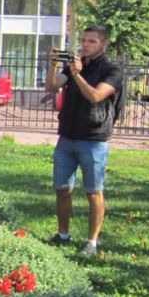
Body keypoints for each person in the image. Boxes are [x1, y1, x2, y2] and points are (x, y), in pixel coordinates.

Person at [45, 24, 123, 256]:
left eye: (92, 41)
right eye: (84, 40)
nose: (85, 45)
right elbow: (51, 86)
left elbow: (95, 96)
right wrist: (53, 65)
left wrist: (77, 74)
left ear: (103, 44)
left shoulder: (112, 70)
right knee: (62, 189)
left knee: (93, 191)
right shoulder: (73, 66)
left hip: (94, 138)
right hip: (67, 137)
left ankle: (91, 242)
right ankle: (62, 235)